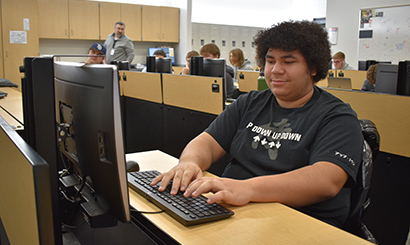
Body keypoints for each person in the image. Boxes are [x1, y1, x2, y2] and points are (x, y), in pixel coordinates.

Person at [151, 20, 364, 228]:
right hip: (237, 213)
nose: (275, 70)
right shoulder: (250, 102)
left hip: (299, 222)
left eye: (288, 62)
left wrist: (247, 189)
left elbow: (325, 180)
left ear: (314, 67)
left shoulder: (337, 116)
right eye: (270, 61)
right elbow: (207, 142)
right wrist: (189, 162)